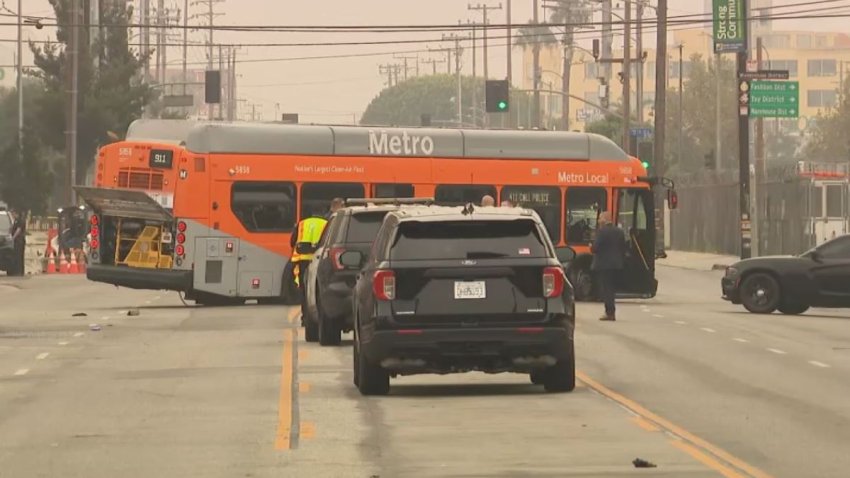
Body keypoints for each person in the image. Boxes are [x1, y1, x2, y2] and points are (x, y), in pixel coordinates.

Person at [290, 205, 330, 317]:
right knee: (317, 290)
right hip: (319, 261)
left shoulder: (302, 223)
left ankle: (305, 316)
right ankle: (319, 315)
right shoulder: (326, 223)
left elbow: (292, 242)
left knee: (304, 290)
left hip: (302, 261)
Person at [591, 212, 626, 321]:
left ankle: (609, 312)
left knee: (606, 289)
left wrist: (591, 247)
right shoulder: (619, 232)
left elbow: (595, 248)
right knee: (611, 288)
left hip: (604, 265)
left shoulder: (602, 232)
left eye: (600, 218)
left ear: (605, 220)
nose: (598, 221)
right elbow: (623, 248)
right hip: (616, 264)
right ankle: (611, 311)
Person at [9, 210, 26, 276]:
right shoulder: (15, 221)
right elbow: (12, 228)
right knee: (16, 256)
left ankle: (20, 272)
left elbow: (18, 230)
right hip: (16, 241)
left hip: (20, 241)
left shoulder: (20, 221)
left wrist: (13, 237)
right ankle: (17, 271)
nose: (13, 215)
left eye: (13, 214)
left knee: (19, 256)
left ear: (16, 214)